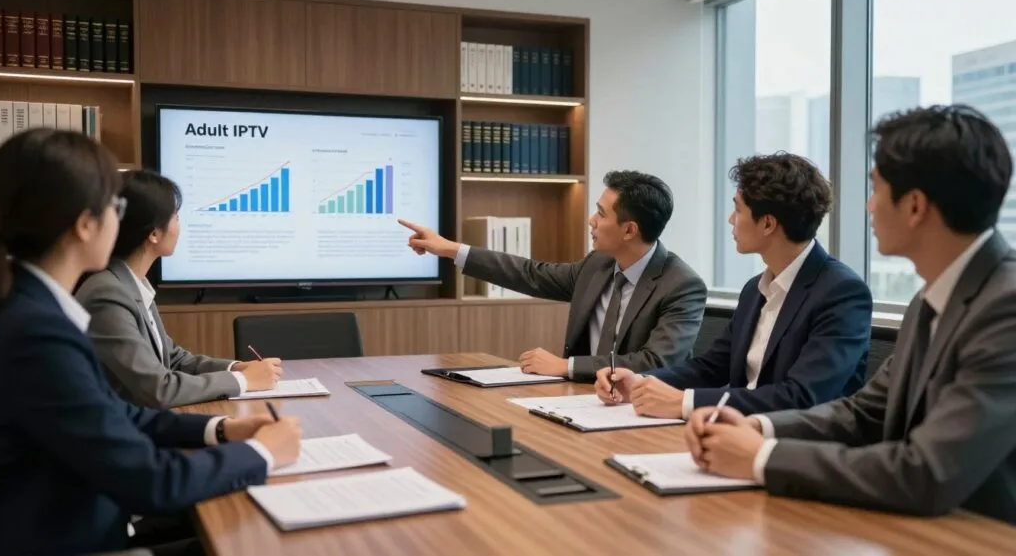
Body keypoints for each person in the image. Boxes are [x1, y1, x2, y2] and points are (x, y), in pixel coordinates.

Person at [687, 104, 1016, 524]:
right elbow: (862, 413)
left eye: (876, 189)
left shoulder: (1005, 309)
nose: (868, 207)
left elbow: (926, 472)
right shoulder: (931, 299)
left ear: (914, 207)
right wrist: (762, 429)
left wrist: (764, 457)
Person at [0, 129, 302, 556]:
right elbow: (153, 481)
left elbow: (118, 414)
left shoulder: (32, 310)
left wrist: (223, 429)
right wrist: (262, 455)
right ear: (85, 225)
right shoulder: (37, 334)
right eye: (115, 206)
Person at [595, 153, 872, 418]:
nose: (731, 219)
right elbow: (713, 367)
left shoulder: (842, 292)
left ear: (767, 224)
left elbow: (801, 397)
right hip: (735, 432)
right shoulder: (755, 289)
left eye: (738, 209)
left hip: (797, 447)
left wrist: (685, 402)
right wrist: (639, 381)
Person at [400, 170, 707, 382]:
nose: (592, 220)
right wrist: (452, 249)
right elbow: (530, 274)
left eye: (601, 213)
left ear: (629, 230)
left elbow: (655, 362)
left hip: (640, 411)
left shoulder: (681, 286)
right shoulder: (597, 265)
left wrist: (565, 366)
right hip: (582, 401)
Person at [76, 170, 283, 408]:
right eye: (175, 216)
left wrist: (236, 367)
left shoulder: (131, 285)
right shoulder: (108, 294)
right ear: (154, 233)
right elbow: (159, 388)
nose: (179, 225)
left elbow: (174, 360)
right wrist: (243, 380)